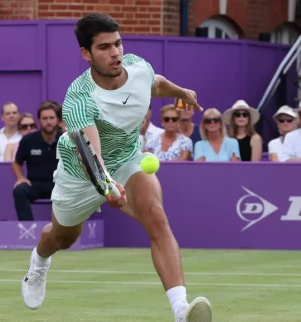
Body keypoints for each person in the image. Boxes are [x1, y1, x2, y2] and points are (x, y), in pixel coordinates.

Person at [20, 13, 212, 322]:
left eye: (118, 44)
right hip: (81, 173)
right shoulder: (79, 99)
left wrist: (180, 92)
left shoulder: (137, 67)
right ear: (86, 53)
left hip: (127, 159)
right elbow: (90, 154)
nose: (115, 53)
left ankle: (181, 311)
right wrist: (107, 187)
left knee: (156, 217)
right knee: (62, 237)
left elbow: (156, 84)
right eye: (105, 47)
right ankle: (39, 261)